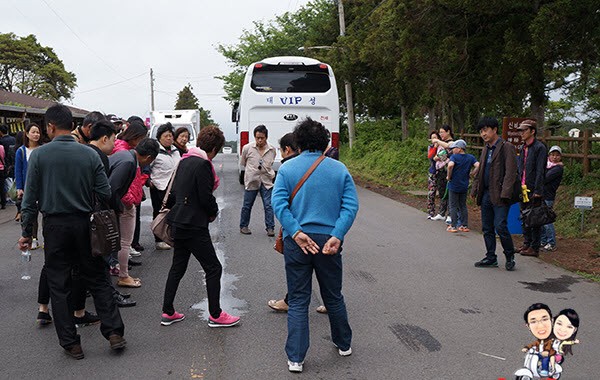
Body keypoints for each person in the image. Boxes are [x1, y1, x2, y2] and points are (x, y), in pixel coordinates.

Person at [18, 104, 125, 359]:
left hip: (54, 226)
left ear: (50, 127)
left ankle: (71, 343)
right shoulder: (89, 154)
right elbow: (105, 192)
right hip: (84, 223)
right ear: (72, 125)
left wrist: (26, 233)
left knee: (59, 283)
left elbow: (30, 198)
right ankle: (114, 332)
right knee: (97, 277)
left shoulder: (40, 156)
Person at [272, 118, 359, 373]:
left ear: (297, 143)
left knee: (298, 299)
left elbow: (278, 204)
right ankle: (343, 344)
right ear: (325, 143)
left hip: (297, 242)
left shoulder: (287, 169)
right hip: (328, 241)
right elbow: (350, 205)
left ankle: (296, 358)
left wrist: (296, 232)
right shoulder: (339, 169)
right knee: (333, 295)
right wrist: (338, 234)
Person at [161, 126, 240, 328]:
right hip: (193, 224)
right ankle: (215, 314)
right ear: (213, 148)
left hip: (178, 221)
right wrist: (213, 211)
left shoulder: (185, 159)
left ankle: (167, 311)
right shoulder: (203, 164)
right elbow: (206, 197)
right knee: (213, 267)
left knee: (177, 267)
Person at [471, 117, 518, 271]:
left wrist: (505, 194)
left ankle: (509, 255)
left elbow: (511, 172)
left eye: (486, 130)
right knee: (487, 227)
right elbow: (480, 171)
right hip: (485, 193)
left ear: (495, 130)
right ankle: (491, 257)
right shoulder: (486, 148)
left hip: (500, 195)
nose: (483, 134)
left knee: (501, 226)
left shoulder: (506, 147)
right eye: (481, 131)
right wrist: (475, 189)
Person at [110, 122, 151, 281]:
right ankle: (123, 274)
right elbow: (117, 185)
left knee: (120, 240)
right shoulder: (125, 154)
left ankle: (117, 267)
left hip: (128, 200)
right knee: (124, 241)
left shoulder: (126, 150)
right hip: (126, 203)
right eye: (142, 138)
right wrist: (127, 201)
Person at [516, 120, 547, 257]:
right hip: (523, 187)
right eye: (520, 131)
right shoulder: (523, 148)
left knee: (534, 218)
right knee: (524, 216)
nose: (522, 133)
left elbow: (541, 171)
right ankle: (526, 243)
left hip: (533, 188)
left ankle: (535, 247)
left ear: (532, 131)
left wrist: (538, 191)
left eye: (524, 130)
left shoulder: (540, 148)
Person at [239, 124, 276, 236]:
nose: (259, 140)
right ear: (254, 137)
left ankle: (270, 228)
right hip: (252, 180)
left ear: (266, 137)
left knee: (268, 205)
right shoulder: (247, 148)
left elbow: (272, 163)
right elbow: (243, 162)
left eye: (262, 138)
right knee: (247, 205)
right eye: (257, 138)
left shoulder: (272, 150)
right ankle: (244, 226)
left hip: (266, 180)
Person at [150, 123, 181, 250]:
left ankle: (170, 236)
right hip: (159, 186)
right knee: (159, 212)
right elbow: (146, 167)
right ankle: (159, 239)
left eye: (171, 136)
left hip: (174, 187)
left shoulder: (175, 150)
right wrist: (148, 181)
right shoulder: (155, 150)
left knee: (173, 211)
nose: (169, 138)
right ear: (159, 137)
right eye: (166, 136)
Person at [15, 123, 43, 249]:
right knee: (30, 214)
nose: (36, 134)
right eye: (33, 132)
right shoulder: (21, 151)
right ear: (27, 134)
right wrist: (19, 188)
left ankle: (44, 238)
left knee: (46, 214)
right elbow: (18, 170)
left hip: (42, 187)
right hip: (28, 188)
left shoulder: (43, 149)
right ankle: (32, 238)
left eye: (38, 132)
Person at [446, 139, 479, 233]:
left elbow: (450, 166)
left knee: (453, 205)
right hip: (464, 185)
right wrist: (473, 173)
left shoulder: (454, 157)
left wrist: (449, 176)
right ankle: (464, 225)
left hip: (454, 184)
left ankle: (453, 226)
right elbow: (478, 165)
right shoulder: (470, 157)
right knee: (462, 205)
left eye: (454, 148)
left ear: (460, 149)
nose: (452, 150)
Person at [521, 303, 556, 377]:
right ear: (528, 326)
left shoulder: (549, 340)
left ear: (552, 321)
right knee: (532, 357)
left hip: (548, 354)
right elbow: (533, 344)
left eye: (544, 319)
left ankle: (545, 370)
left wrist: (546, 351)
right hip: (539, 353)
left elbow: (549, 346)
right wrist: (527, 348)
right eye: (533, 321)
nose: (540, 325)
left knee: (545, 358)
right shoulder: (539, 341)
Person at [430, 125, 455, 223]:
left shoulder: (452, 143)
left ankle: (450, 214)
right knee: (442, 192)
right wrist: (437, 156)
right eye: (439, 132)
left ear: (448, 131)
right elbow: (434, 156)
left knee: (448, 192)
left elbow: (449, 154)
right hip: (440, 170)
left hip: (447, 170)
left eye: (442, 132)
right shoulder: (442, 143)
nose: (441, 134)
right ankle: (441, 213)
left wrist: (439, 157)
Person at [541, 145, 564, 252]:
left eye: (557, 155)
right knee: (541, 220)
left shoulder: (558, 168)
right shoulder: (547, 165)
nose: (554, 157)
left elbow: (544, 178)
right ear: (549, 155)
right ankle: (543, 240)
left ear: (560, 157)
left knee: (547, 220)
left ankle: (551, 242)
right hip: (542, 195)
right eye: (552, 155)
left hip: (548, 196)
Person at [427, 131, 441, 219]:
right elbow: (430, 157)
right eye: (432, 138)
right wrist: (435, 148)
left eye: (435, 137)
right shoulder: (430, 147)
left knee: (441, 193)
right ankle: (430, 211)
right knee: (431, 193)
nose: (434, 139)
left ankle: (441, 213)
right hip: (432, 172)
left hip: (441, 171)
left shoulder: (442, 147)